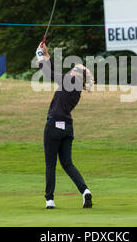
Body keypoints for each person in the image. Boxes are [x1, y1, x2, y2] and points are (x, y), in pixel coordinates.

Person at [36, 41, 94, 209]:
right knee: (67, 163)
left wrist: (39, 56)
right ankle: (85, 191)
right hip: (67, 127)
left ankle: (49, 200)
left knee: (50, 164)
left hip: (54, 125)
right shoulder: (76, 87)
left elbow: (48, 73)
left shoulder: (69, 80)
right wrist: (46, 55)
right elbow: (55, 72)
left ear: (75, 74)